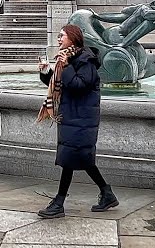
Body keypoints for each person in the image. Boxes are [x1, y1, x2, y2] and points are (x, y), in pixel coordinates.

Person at [36, 24, 117, 218]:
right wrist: (47, 72)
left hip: (82, 119)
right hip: (73, 117)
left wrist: (67, 66)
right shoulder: (70, 59)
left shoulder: (85, 61)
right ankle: (107, 193)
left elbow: (80, 85)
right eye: (58, 36)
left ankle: (59, 202)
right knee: (80, 159)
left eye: (62, 36)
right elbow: (62, 85)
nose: (58, 39)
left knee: (70, 160)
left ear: (72, 38)